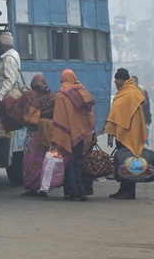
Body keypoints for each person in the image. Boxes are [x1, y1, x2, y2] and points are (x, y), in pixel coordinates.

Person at [52, 69, 96, 201]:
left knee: (69, 161)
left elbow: (59, 116)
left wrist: (58, 135)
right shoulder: (82, 91)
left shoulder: (61, 94)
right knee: (78, 161)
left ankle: (73, 192)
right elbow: (89, 113)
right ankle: (82, 191)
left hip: (67, 133)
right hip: (80, 132)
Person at [105, 68, 148, 200]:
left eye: (117, 79)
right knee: (123, 162)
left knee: (128, 161)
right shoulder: (125, 91)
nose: (115, 82)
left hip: (129, 132)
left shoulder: (130, 92)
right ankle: (123, 189)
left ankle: (129, 192)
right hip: (124, 131)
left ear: (123, 79)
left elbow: (122, 113)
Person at [19, 75, 55, 197]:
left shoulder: (30, 96)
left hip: (33, 134)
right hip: (47, 133)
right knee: (44, 161)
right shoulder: (51, 97)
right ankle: (43, 188)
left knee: (30, 160)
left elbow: (22, 105)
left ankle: (32, 187)